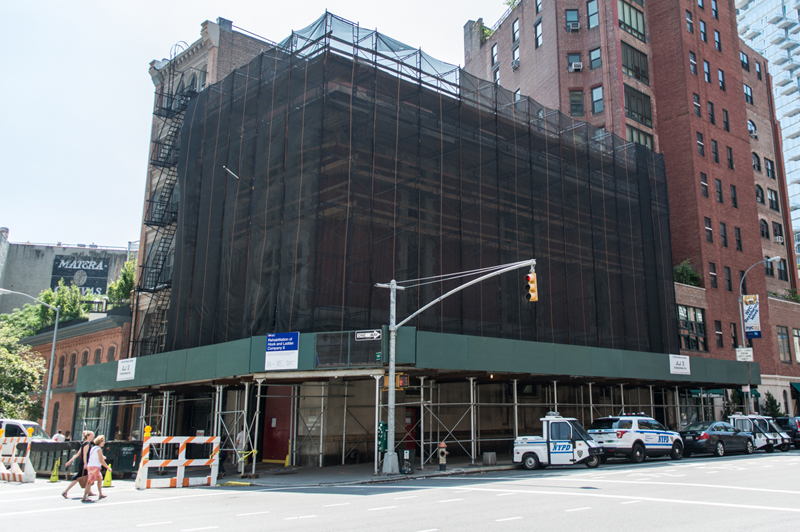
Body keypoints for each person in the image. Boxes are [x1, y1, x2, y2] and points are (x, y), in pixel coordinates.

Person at [62, 431, 95, 499]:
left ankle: (89, 491)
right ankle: (65, 491)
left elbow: (78, 454)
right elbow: (84, 454)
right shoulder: (86, 444)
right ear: (87, 436)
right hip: (84, 463)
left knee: (87, 476)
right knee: (79, 477)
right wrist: (85, 464)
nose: (93, 436)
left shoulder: (84, 443)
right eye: (92, 435)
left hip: (83, 462)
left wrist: (69, 461)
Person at [82, 435, 111, 502]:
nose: (103, 443)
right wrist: (108, 467)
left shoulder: (93, 448)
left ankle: (100, 494)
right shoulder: (99, 449)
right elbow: (101, 460)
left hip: (91, 466)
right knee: (89, 482)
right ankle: (84, 496)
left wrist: (102, 457)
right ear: (100, 442)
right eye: (103, 442)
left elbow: (97, 457)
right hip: (95, 467)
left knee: (100, 478)